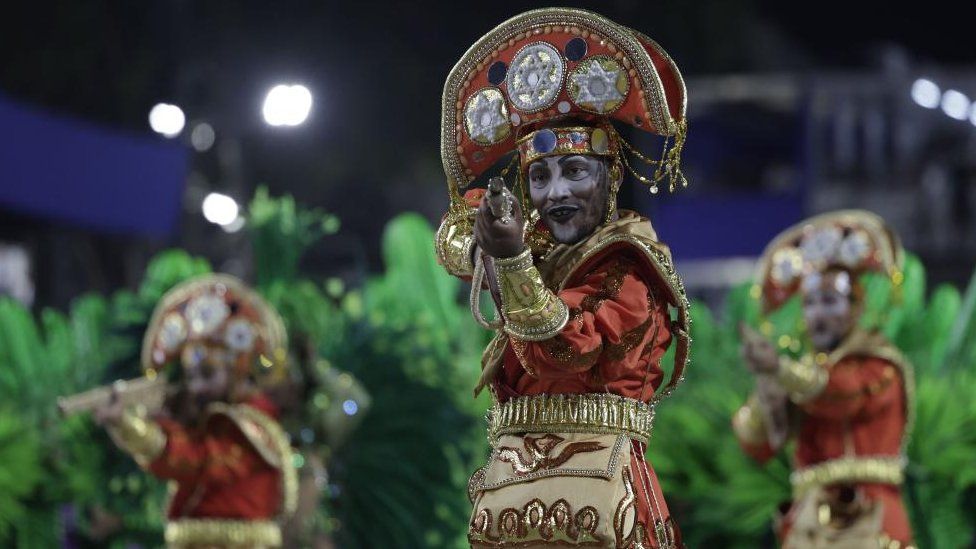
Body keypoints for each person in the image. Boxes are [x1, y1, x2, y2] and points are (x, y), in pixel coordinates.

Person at [435, 8, 691, 547]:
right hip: (515, 504)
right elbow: (461, 241)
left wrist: (509, 261)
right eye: (539, 177)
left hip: (603, 509)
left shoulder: (632, 271)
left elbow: (564, 352)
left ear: (611, 176)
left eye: (575, 171)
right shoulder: (544, 262)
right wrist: (500, 251)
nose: (556, 195)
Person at [734, 210, 915, 548]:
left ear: (857, 308)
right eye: (810, 303)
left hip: (872, 520)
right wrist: (766, 387)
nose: (818, 314)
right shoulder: (797, 372)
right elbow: (755, 443)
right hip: (806, 524)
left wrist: (780, 371)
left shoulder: (881, 365)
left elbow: (840, 393)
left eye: (830, 301)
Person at [94, 274, 297, 548]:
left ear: (236, 370)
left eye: (207, 374)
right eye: (190, 376)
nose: (197, 386)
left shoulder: (249, 430)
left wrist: (132, 426)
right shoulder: (204, 422)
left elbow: (197, 461)